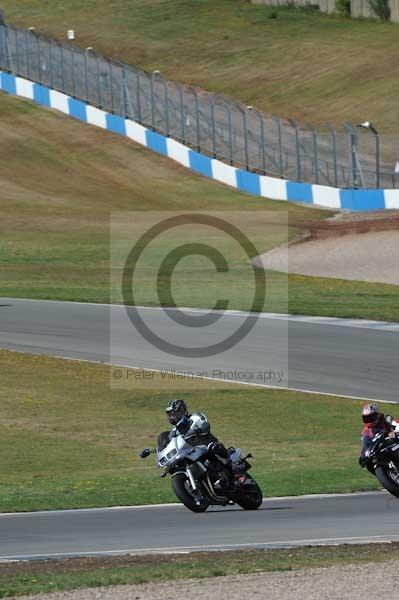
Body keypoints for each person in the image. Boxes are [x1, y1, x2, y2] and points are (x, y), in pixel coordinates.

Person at [159, 398, 231, 471]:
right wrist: (162, 448)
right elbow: (169, 441)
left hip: (207, 445)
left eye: (174, 414)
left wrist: (197, 430)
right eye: (170, 415)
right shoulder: (175, 431)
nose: (172, 417)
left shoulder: (195, 417)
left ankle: (232, 465)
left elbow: (205, 425)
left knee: (214, 447)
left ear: (182, 410)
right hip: (192, 453)